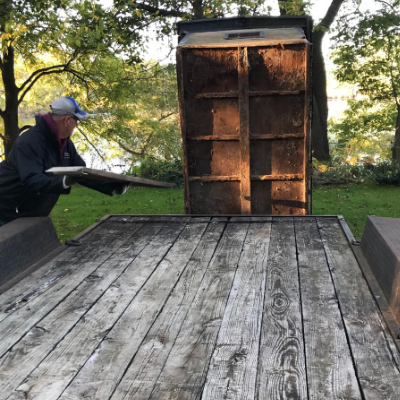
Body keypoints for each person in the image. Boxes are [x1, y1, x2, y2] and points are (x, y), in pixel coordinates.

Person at [0, 97, 128, 227]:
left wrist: (113, 186)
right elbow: (32, 180)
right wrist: (63, 182)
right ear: (67, 120)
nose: (77, 125)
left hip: (30, 214)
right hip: (6, 210)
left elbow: (82, 173)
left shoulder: (65, 143)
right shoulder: (30, 142)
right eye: (76, 120)